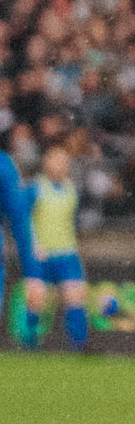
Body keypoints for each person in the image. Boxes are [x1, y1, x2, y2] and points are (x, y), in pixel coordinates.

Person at [1, 135, 91, 350]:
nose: (62, 165)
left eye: (65, 161)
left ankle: (79, 344)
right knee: (36, 297)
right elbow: (22, 218)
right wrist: (30, 245)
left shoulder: (72, 190)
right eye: (57, 160)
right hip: (41, 252)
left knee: (74, 296)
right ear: (47, 163)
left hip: (67, 252)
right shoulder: (35, 188)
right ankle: (30, 342)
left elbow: (73, 222)